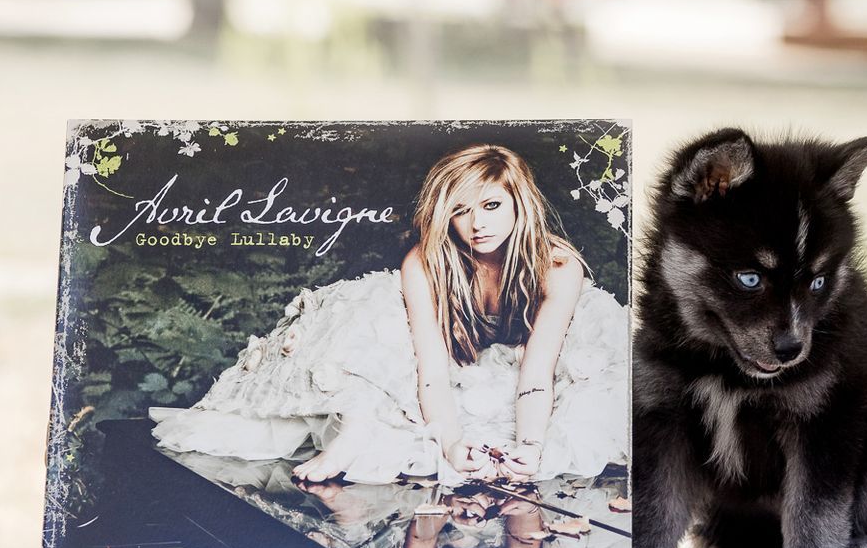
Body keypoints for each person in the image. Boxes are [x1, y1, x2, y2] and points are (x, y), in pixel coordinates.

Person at [150, 143, 627, 485]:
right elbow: (432, 372)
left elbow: (536, 372)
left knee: (597, 384)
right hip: (439, 362)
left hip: (523, 366)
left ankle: (373, 430)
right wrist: (451, 443)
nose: (478, 223)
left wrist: (531, 447)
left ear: (519, 205)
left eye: (492, 205)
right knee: (373, 304)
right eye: (460, 211)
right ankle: (357, 425)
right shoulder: (426, 260)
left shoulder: (556, 268)